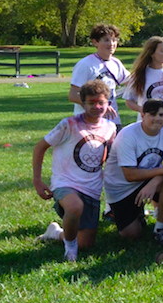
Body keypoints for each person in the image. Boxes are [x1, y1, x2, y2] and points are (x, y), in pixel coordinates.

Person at [33, 80, 117, 261]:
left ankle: (56, 233)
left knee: (86, 243)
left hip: (92, 187)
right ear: (82, 103)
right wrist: (37, 180)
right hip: (66, 182)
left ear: (108, 103)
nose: (97, 106)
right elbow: (40, 147)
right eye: (91, 102)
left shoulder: (110, 127)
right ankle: (70, 250)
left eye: (101, 102)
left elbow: (108, 157)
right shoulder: (69, 124)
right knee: (75, 207)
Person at [103, 100, 163, 244]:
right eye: (152, 114)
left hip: (148, 179)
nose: (157, 118)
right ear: (142, 115)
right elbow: (130, 175)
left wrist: (154, 183)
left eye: (161, 114)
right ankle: (132, 213)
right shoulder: (128, 135)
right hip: (121, 187)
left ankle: (160, 230)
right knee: (131, 235)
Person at [69, 23, 129, 129]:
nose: (111, 44)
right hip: (88, 122)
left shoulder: (116, 63)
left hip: (112, 121)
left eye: (114, 40)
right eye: (106, 40)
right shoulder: (85, 64)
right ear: (95, 42)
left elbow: (133, 83)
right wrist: (98, 105)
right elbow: (73, 95)